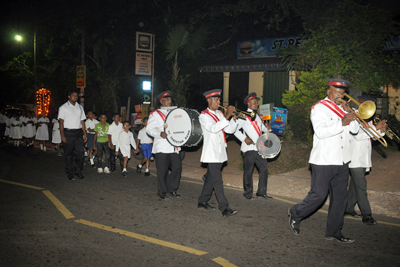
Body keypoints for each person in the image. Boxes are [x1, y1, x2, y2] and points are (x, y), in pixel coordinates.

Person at [288, 79, 359, 243]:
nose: (340, 96)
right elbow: (320, 132)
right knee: (318, 195)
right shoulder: (319, 108)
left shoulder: (345, 109)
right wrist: (342, 122)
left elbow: (354, 130)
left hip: (342, 160)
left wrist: (350, 115)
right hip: (324, 160)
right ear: (329, 91)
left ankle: (334, 231)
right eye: (337, 92)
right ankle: (296, 212)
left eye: (343, 93)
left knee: (340, 199)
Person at [345, 96, 386, 225]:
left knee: (355, 186)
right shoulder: (354, 118)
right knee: (361, 187)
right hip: (355, 159)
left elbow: (372, 136)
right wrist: (375, 129)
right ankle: (366, 215)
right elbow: (357, 136)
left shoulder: (366, 119)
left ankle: (348, 208)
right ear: (362, 105)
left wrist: (380, 130)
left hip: (363, 159)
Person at [197, 89, 239, 217]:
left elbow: (229, 130)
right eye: (216, 100)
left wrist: (233, 119)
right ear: (209, 101)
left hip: (220, 151)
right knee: (217, 181)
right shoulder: (203, 116)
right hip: (211, 152)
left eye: (219, 100)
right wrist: (227, 116)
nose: (218, 102)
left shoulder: (220, 114)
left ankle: (202, 201)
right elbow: (213, 128)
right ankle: (224, 208)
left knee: (211, 178)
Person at [234, 92, 273, 200]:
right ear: (249, 104)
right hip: (249, 148)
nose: (257, 104)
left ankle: (261, 192)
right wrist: (244, 139)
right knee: (248, 170)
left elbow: (263, 130)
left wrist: (268, 128)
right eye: (255, 102)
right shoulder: (243, 116)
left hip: (259, 148)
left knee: (264, 168)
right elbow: (235, 130)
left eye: (257, 103)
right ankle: (248, 193)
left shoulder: (258, 117)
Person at [146, 91, 182, 199]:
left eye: (170, 100)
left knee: (177, 167)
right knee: (162, 170)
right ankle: (162, 191)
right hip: (162, 146)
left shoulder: (175, 112)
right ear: (162, 101)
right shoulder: (155, 114)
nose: (170, 102)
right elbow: (149, 129)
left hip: (173, 146)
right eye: (167, 100)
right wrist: (159, 134)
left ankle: (172, 188)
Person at [58, 89, 87, 180]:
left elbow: (82, 121)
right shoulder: (63, 107)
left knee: (80, 153)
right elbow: (61, 123)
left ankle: (78, 171)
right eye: (73, 95)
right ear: (69, 96)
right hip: (68, 132)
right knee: (68, 154)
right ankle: (70, 173)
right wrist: (62, 135)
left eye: (76, 95)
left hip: (78, 132)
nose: (75, 97)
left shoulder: (80, 107)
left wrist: (84, 133)